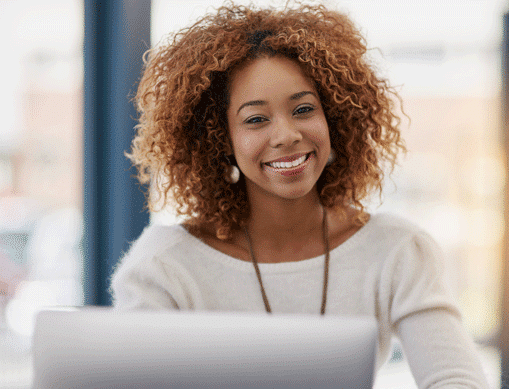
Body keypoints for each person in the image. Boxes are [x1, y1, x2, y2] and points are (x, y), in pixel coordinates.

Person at [110, 2, 489, 387]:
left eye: (304, 109)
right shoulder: (164, 266)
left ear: (334, 118)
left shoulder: (397, 251)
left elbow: (456, 379)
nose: (287, 135)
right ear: (221, 138)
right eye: (256, 119)